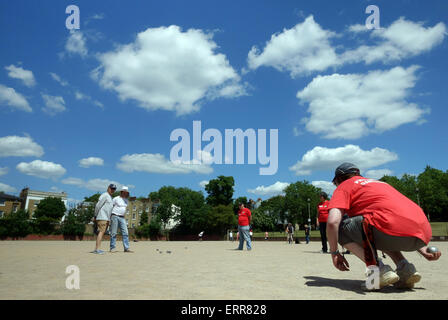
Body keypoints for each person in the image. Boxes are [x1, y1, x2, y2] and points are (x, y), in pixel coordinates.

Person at [327, 163, 442, 290]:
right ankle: (405, 269)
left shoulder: (345, 185)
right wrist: (422, 247)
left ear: (339, 179)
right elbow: (402, 216)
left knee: (341, 229)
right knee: (374, 227)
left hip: (391, 228)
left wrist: (334, 253)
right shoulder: (380, 184)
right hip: (421, 234)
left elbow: (333, 222)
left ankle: (378, 271)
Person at [92, 184, 116, 254]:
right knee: (101, 232)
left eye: (114, 189)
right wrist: (95, 215)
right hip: (102, 216)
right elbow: (98, 205)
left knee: (101, 232)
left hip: (106, 218)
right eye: (111, 189)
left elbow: (109, 209)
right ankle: (97, 249)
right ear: (108, 188)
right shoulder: (105, 195)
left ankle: (97, 248)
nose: (112, 190)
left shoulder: (110, 197)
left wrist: (109, 219)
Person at [110, 186, 133, 253]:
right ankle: (112, 248)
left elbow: (124, 209)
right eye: (124, 192)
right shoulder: (115, 199)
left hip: (122, 217)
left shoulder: (126, 200)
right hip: (115, 216)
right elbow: (111, 207)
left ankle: (126, 248)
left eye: (126, 192)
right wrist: (109, 216)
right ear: (122, 192)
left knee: (125, 232)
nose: (125, 193)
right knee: (113, 233)